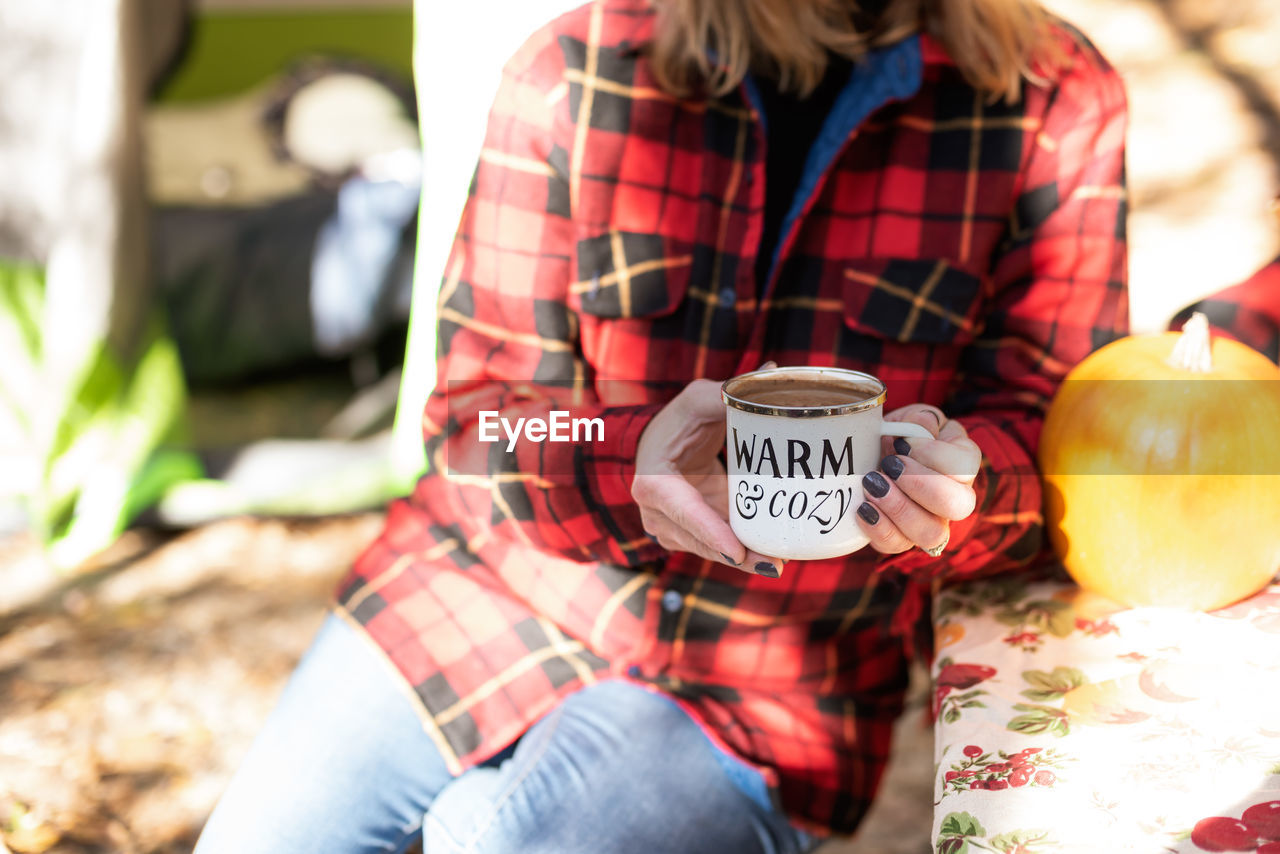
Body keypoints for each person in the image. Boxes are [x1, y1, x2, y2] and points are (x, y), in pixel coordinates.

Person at [195, 0, 1128, 850]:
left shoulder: (1053, 99)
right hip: (474, 593)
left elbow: (1050, 441)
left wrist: (963, 494)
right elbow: (484, 423)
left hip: (765, 694)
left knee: (492, 839)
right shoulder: (574, 67)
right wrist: (616, 459)